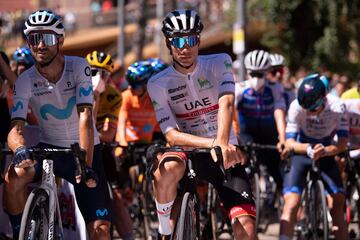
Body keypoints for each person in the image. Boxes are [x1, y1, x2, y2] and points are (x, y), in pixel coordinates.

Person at [147, 9, 256, 240]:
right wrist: (213, 143)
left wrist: (223, 144)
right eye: (178, 40)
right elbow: (172, 136)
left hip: (224, 150)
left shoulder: (220, 62)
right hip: (188, 149)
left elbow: (226, 103)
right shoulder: (158, 82)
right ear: (169, 43)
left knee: (246, 229)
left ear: (198, 40)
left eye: (191, 40)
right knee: (166, 169)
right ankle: (164, 229)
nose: (185, 47)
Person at [5, 10, 111, 239]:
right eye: (34, 38)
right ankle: (18, 232)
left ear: (60, 40)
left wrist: (86, 163)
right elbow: (16, 128)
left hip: (84, 151)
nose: (40, 44)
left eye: (48, 38)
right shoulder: (25, 81)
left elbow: (85, 117)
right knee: (13, 177)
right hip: (49, 149)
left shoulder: (79, 67)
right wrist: (19, 149)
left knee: (100, 231)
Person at [280, 73, 349, 240]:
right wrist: (308, 149)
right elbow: (289, 143)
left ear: (324, 99)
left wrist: (326, 151)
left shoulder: (338, 106)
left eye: (312, 110)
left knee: (337, 203)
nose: (308, 113)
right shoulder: (296, 106)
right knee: (291, 204)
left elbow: (342, 143)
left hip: (327, 150)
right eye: (306, 109)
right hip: (302, 150)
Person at [86, 50, 134, 240]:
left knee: (115, 195)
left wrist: (96, 97)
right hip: (74, 142)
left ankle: (129, 235)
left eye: (103, 73)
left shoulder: (114, 95)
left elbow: (107, 135)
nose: (97, 77)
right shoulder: (73, 88)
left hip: (100, 145)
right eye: (92, 72)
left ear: (109, 75)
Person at [235, 50, 286, 191]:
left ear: (267, 72)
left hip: (268, 133)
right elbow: (230, 111)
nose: (256, 78)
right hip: (247, 132)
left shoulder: (276, 89)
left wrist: (282, 138)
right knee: (242, 165)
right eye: (253, 74)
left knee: (277, 171)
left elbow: (279, 113)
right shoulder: (239, 89)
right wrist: (235, 135)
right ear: (247, 72)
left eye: (260, 74)